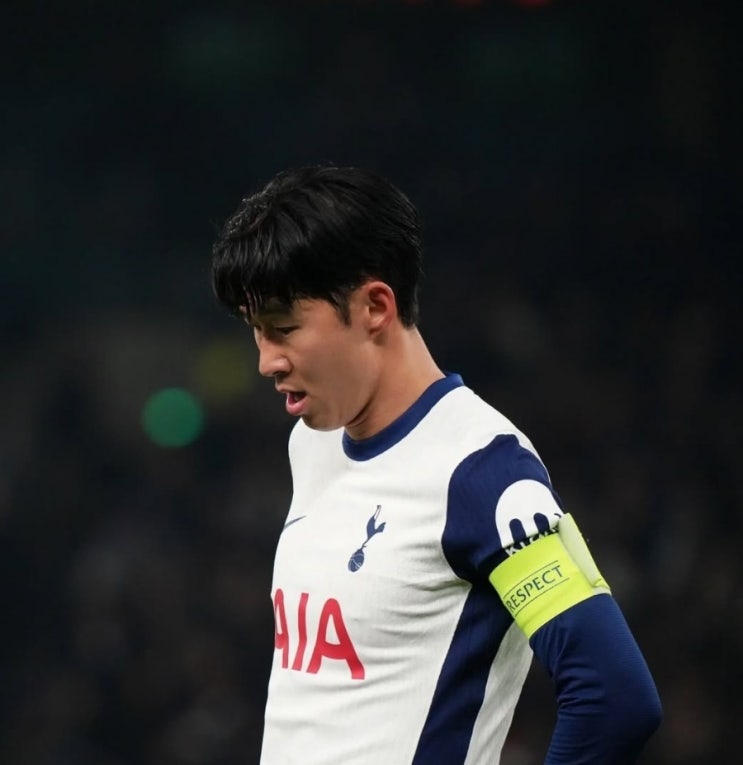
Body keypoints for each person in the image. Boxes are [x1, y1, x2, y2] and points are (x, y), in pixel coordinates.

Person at [210, 165, 662, 764]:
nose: (267, 361)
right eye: (257, 332)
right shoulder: (312, 445)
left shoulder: (483, 472)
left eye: (284, 329)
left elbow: (616, 699)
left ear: (375, 306)